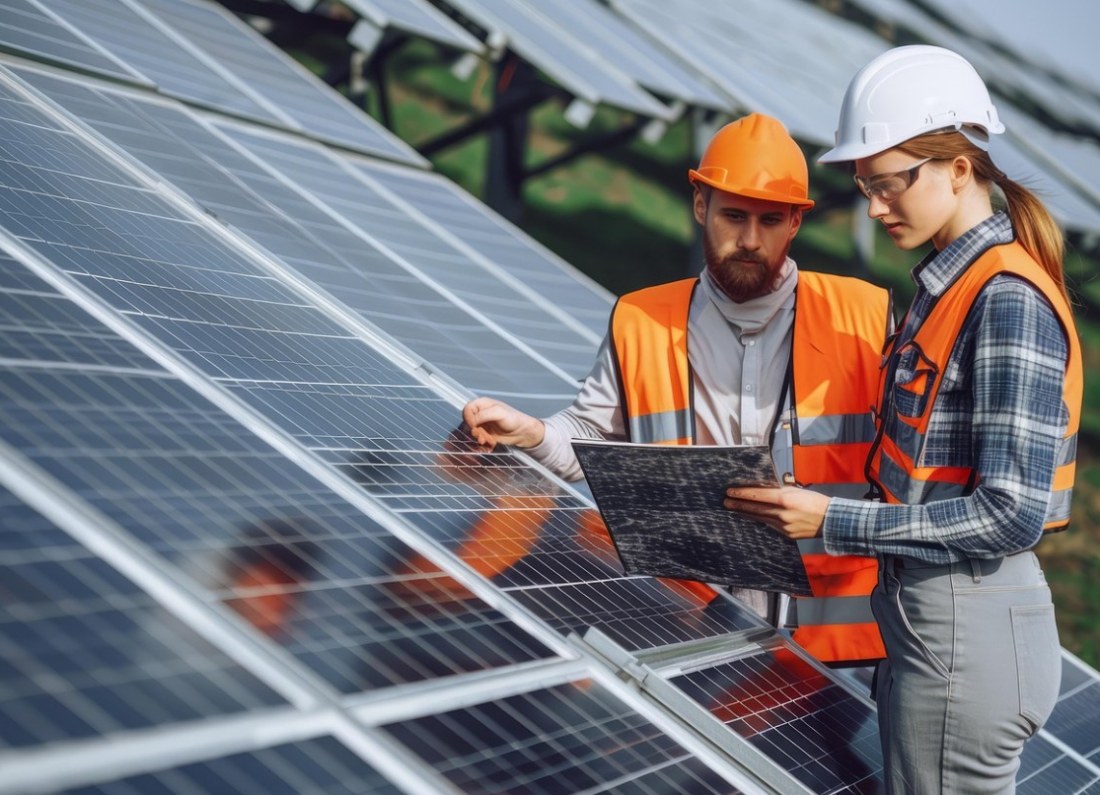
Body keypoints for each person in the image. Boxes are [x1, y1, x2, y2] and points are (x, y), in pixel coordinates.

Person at [725, 46, 1082, 793]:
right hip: (935, 622)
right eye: (866, 186)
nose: (875, 207)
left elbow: (1011, 512)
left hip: (966, 627)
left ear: (958, 167)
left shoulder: (1006, 300)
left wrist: (831, 519)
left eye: (889, 183)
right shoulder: (950, 286)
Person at [463, 112, 893, 667]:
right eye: (733, 216)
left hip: (836, 655)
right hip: (685, 636)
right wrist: (534, 434)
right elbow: (591, 437)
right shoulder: (641, 320)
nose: (750, 240)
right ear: (699, 205)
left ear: (795, 223)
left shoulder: (866, 318)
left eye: (770, 221)